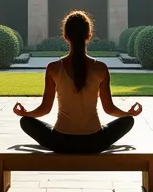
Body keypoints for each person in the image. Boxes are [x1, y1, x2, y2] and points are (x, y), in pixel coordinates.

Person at [12, 10, 143, 154]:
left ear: (65, 36)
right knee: (128, 120)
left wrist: (25, 113)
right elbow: (109, 109)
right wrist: (128, 113)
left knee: (25, 121)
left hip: (60, 142)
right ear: (89, 35)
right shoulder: (100, 68)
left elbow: (45, 109)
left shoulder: (53, 68)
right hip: (95, 142)